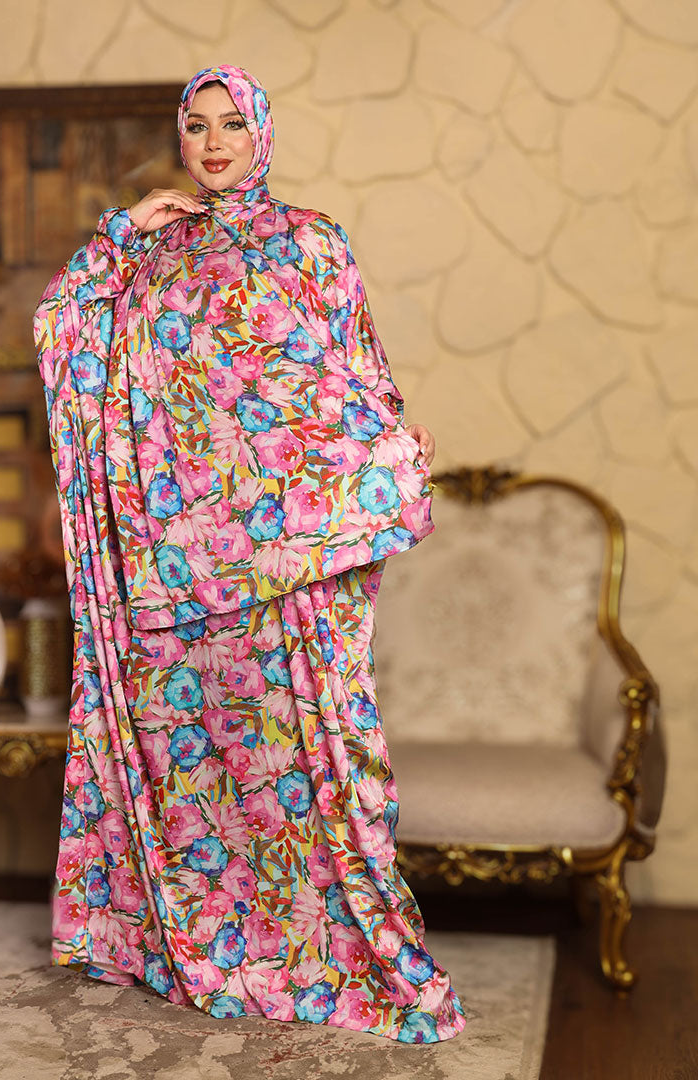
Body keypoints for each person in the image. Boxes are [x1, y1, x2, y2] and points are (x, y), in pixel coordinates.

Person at [32, 64, 464, 1043]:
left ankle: (329, 958)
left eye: (232, 122)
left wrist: (387, 443)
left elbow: (350, 367)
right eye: (196, 125)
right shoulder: (149, 251)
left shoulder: (311, 239)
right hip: (171, 560)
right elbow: (63, 336)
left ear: (261, 130)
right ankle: (202, 952)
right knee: (198, 773)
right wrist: (118, 234)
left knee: (296, 759)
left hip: (281, 554)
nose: (215, 142)